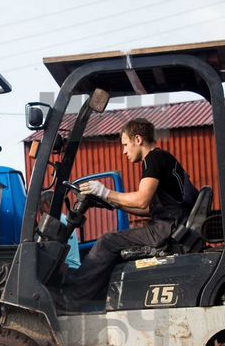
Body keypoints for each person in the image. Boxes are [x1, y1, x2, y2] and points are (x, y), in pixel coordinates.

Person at [66, 118, 198, 301]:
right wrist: (114, 202)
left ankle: (71, 297)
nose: (124, 151)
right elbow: (150, 209)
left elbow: (142, 200)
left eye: (125, 144)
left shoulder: (153, 159)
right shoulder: (164, 159)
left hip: (166, 230)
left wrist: (104, 191)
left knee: (106, 242)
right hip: (171, 226)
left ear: (138, 140)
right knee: (112, 241)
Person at [39, 190, 81, 269]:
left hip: (67, 266)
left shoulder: (55, 222)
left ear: (49, 204)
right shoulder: (64, 218)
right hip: (71, 265)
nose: (41, 215)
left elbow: (46, 248)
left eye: (41, 211)